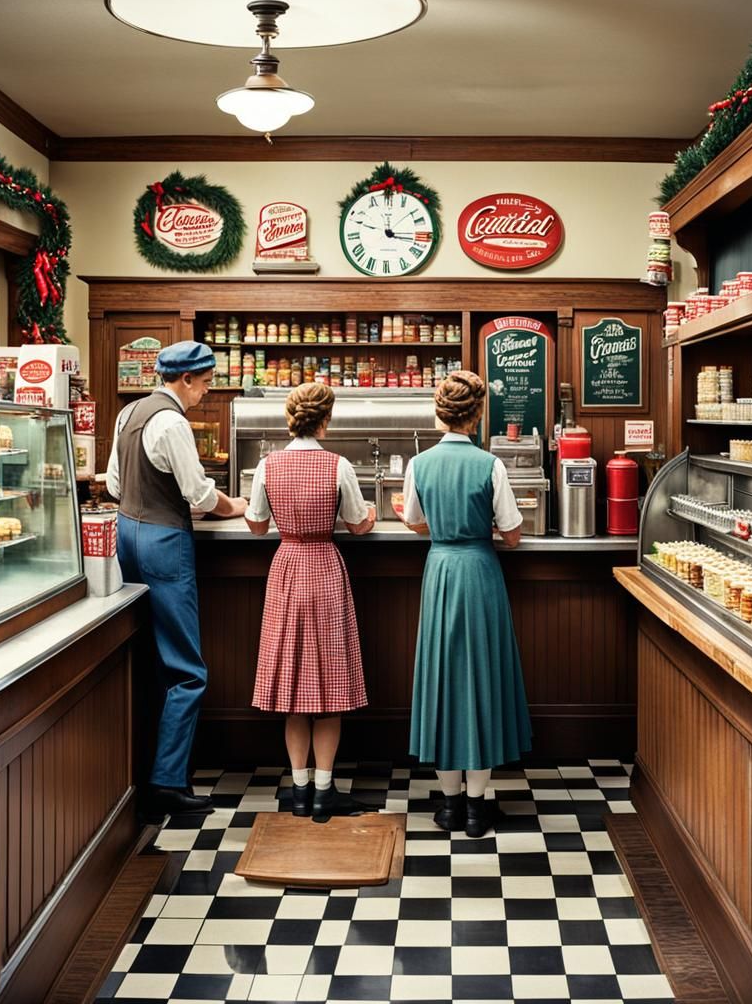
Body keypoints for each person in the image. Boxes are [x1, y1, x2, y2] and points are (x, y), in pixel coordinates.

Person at [106, 340, 247, 818]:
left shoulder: (130, 414)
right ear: (185, 379)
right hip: (165, 542)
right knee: (187, 669)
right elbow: (201, 495)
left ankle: (140, 770)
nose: (206, 393)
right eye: (205, 383)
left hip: (128, 534)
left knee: (148, 656)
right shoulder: (172, 422)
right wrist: (239, 506)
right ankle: (167, 782)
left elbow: (114, 485)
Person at [403, 370, 532, 837]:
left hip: (440, 572)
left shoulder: (419, 464)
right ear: (476, 416)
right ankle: (478, 807)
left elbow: (413, 522)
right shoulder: (490, 465)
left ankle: (450, 805)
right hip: (480, 572)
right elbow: (514, 536)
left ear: (439, 414)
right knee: (482, 677)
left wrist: (443, 526)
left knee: (442, 679)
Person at [245, 383, 375, 822]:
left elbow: (258, 526)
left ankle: (298, 790)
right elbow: (358, 525)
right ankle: (324, 792)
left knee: (294, 690)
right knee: (329, 687)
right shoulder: (338, 466)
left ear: (289, 420)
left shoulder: (267, 465)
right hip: (324, 569)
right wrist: (371, 514)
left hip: (287, 569)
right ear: (325, 421)